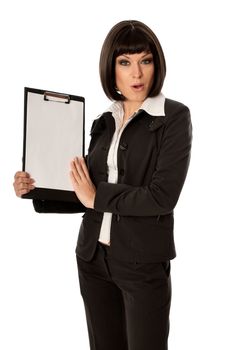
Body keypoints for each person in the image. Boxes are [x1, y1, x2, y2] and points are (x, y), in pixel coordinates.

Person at [13, 20, 192, 350]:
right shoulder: (103, 121)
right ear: (111, 70)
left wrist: (97, 196)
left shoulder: (174, 117)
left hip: (142, 264)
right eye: (125, 63)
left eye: (145, 60)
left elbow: (162, 197)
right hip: (92, 259)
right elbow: (85, 191)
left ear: (157, 65)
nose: (136, 74)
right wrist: (35, 187)